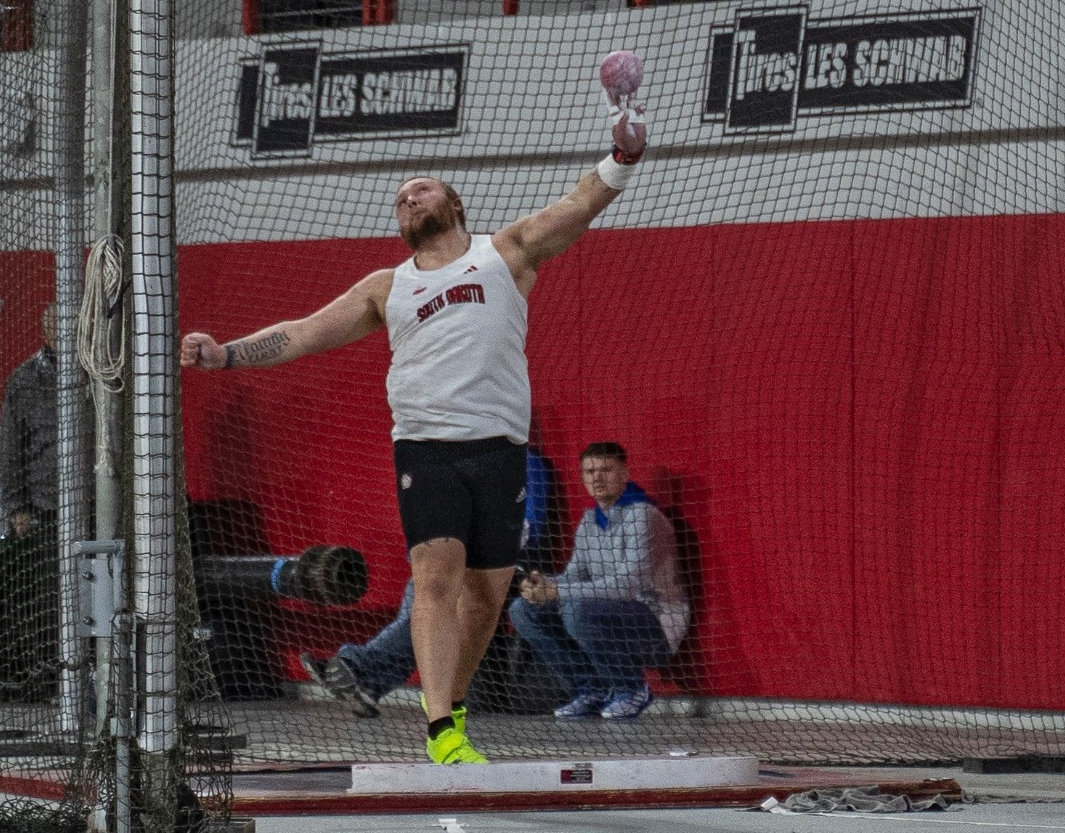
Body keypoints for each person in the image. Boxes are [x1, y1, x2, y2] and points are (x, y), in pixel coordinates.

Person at [182, 87, 648, 764]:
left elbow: (577, 207)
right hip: (425, 447)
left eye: (421, 190)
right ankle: (438, 728)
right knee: (436, 575)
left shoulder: (505, 253)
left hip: (501, 451)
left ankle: (451, 710)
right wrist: (225, 354)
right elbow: (305, 332)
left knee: (486, 599)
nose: (408, 198)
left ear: (454, 204)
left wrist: (623, 157)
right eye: (400, 198)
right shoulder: (386, 286)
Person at [299, 443, 557, 719]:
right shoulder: (452, 459)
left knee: (425, 611)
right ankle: (368, 685)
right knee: (416, 606)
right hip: (451, 562)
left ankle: (359, 667)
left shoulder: (525, 463)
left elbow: (528, 530)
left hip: (500, 566)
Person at [510, 441, 689, 720]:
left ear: (625, 474)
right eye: (589, 471)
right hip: (607, 617)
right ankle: (590, 688)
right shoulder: (589, 521)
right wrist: (541, 585)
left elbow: (628, 586)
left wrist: (557, 590)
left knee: (577, 609)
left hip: (656, 628)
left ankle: (631, 689)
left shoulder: (642, 516)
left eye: (606, 469)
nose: (596, 478)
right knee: (522, 609)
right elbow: (573, 576)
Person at [0, 302, 61, 698]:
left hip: (100, 507)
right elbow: (9, 448)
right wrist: (17, 507)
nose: (64, 331)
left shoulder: (103, 371)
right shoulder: (25, 379)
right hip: (47, 509)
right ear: (45, 331)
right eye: (57, 325)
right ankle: (52, 682)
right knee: (49, 601)